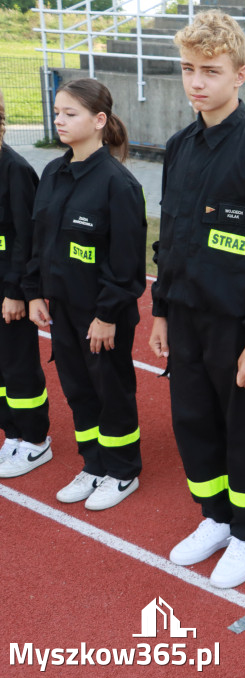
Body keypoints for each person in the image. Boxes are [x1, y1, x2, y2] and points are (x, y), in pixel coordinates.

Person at [148, 10, 245, 589]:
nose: (196, 82)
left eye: (210, 71)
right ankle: (215, 518)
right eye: (188, 69)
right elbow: (174, 234)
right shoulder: (180, 145)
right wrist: (160, 307)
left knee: (244, 432)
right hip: (184, 316)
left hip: (237, 328)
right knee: (192, 421)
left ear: (240, 75)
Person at [22, 78, 146, 510]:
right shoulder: (54, 173)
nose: (59, 120)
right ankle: (94, 465)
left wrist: (108, 315)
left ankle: (123, 469)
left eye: (70, 113)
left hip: (101, 315)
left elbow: (128, 264)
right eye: (57, 112)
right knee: (78, 390)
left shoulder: (119, 185)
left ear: (99, 121)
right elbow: (41, 241)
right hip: (64, 310)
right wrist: (34, 292)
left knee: (111, 390)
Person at [0, 87, 52, 479]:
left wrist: (16, 291)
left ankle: (35, 441)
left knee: (18, 366)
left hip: (9, 290)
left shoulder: (15, 169)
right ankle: (13, 434)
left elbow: (26, 236)